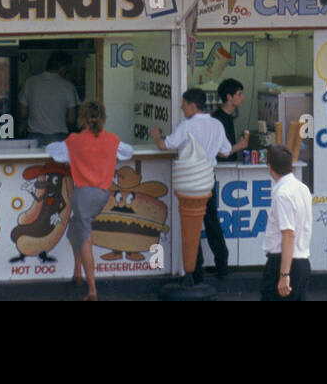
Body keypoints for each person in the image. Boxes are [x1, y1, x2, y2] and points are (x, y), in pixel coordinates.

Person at [152, 88, 231, 282]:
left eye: (184, 104)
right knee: (212, 222)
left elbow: (165, 145)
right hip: (208, 178)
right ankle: (222, 265)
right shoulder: (217, 124)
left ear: (192, 105)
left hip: (190, 180)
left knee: (190, 226)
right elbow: (226, 151)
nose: (181, 107)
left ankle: (196, 270)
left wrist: (156, 135)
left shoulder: (186, 126)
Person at [62, 100, 134, 300]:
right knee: (75, 228)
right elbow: (128, 152)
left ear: (82, 118)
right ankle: (77, 272)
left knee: (85, 236)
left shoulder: (73, 140)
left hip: (82, 193)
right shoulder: (112, 140)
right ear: (103, 118)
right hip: (102, 194)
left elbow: (53, 152)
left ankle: (92, 289)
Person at [260, 144, 313, 301]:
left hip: (284, 262)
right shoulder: (302, 188)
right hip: (301, 260)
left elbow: (288, 233)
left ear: (270, 167)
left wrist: (284, 274)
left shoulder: (282, 194)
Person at [20, 52, 80, 146]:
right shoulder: (68, 86)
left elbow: (23, 113)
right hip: (59, 139)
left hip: (34, 138)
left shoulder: (30, 82)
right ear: (62, 68)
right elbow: (71, 119)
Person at [213, 78, 251, 163]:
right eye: (239, 94)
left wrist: (239, 143)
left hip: (229, 165)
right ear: (229, 97)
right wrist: (240, 145)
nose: (243, 98)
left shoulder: (229, 116)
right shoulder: (218, 119)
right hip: (221, 169)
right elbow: (220, 152)